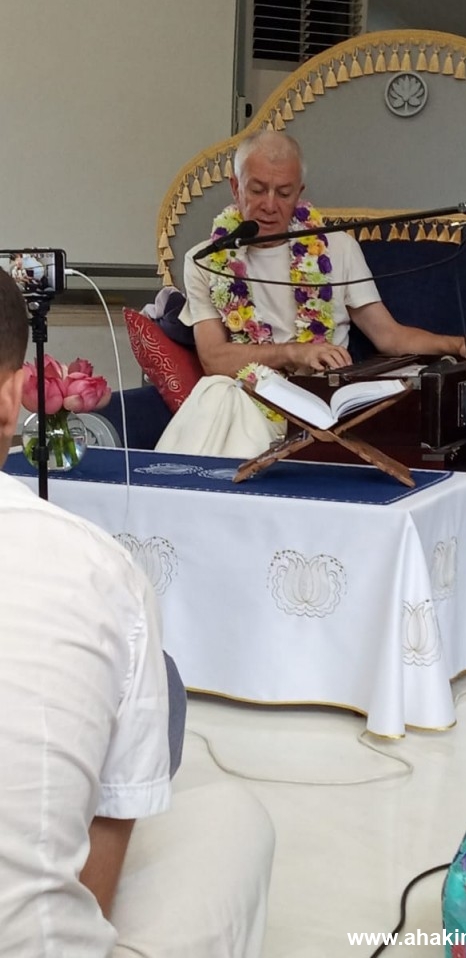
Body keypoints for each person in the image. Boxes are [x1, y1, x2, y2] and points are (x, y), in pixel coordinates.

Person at [0, 268, 274, 956]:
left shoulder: (335, 255)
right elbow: (105, 840)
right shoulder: (96, 569)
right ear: (11, 400)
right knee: (234, 816)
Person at [156, 131, 466, 459]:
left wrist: (461, 344)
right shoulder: (206, 259)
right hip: (248, 398)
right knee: (218, 392)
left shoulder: (337, 249)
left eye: (284, 193)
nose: (270, 204)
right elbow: (214, 359)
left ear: (300, 192)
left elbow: (389, 336)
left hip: (320, 404)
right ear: (235, 188)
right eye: (257, 190)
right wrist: (294, 352)